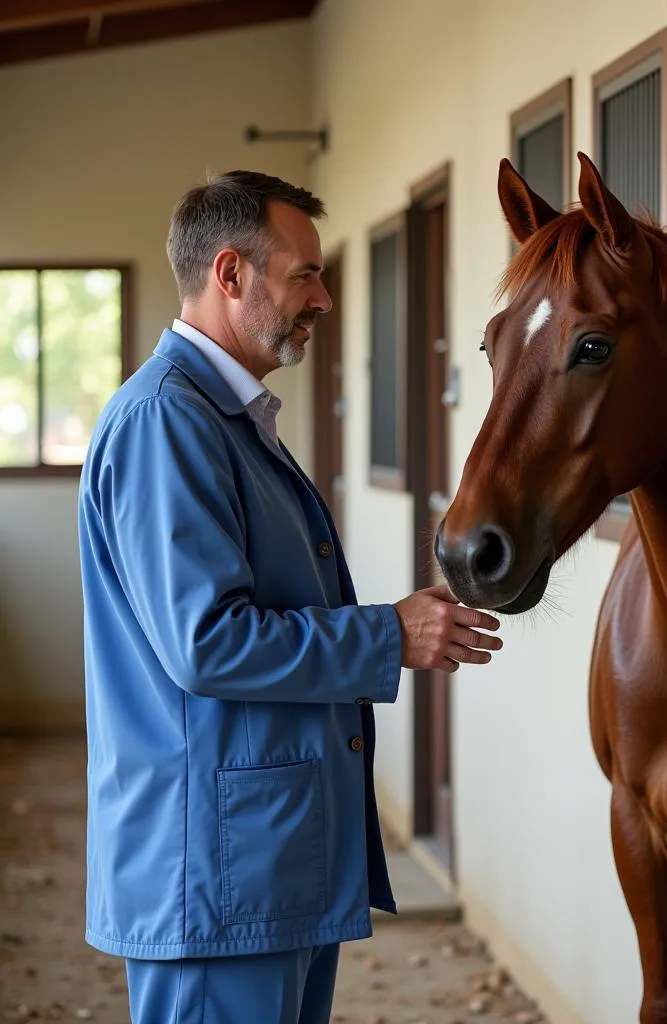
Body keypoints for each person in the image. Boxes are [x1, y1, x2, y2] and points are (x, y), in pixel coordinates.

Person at [77, 170, 503, 1024]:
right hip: (216, 876)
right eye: (304, 274)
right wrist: (386, 636)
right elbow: (207, 642)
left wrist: (390, 631)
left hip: (263, 863)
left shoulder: (223, 417)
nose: (327, 298)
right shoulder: (168, 421)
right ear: (230, 275)